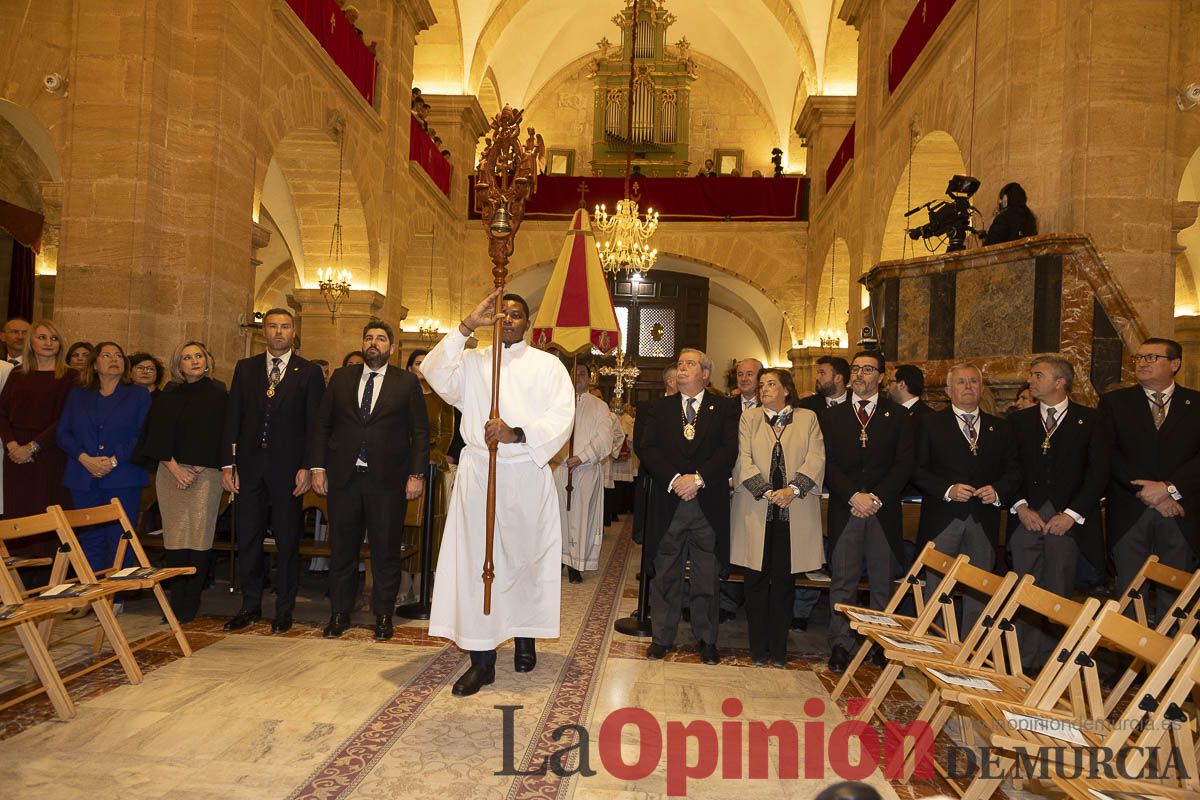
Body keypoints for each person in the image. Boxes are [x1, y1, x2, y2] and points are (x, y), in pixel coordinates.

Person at [422, 289, 574, 697]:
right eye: (502, 314)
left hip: (525, 469)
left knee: (523, 559)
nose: (508, 319)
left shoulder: (548, 366)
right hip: (479, 473)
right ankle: (482, 660)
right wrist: (469, 323)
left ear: (528, 323)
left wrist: (516, 433)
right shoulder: (473, 362)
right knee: (479, 565)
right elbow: (432, 372)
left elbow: (562, 416)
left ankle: (525, 635)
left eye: (516, 314)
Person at [309, 320, 429, 641]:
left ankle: (384, 616)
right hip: (344, 479)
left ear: (391, 347)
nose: (373, 343)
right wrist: (317, 468)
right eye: (369, 338)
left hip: (387, 482)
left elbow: (419, 432)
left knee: (385, 552)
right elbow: (322, 424)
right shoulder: (342, 377)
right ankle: (339, 614)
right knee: (342, 550)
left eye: (380, 338)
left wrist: (416, 474)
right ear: (363, 345)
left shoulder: (406, 383)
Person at [221, 308, 326, 635]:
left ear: (294, 331)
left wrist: (308, 466)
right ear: (262, 332)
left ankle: (284, 609)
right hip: (250, 468)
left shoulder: (307, 372)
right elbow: (232, 419)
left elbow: (315, 425)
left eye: (285, 327)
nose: (278, 332)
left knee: (286, 540)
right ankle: (250, 606)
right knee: (249, 538)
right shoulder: (246, 368)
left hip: (288, 470)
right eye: (272, 327)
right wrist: (228, 464)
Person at [638, 348, 740, 665]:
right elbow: (647, 447)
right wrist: (674, 479)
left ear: (705, 374)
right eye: (680, 364)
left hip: (706, 504)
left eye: (690, 364)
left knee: (706, 577)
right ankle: (662, 637)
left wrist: (696, 479)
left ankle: (707, 639)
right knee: (665, 574)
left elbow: (728, 451)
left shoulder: (723, 409)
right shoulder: (659, 408)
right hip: (669, 503)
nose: (682, 368)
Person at [1008, 355, 1110, 666]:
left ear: (1060, 382)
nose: (1030, 380)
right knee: (1024, 590)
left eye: (1038, 375)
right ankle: (1024, 660)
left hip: (1068, 523)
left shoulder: (1090, 420)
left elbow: (1098, 474)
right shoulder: (1019, 420)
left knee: (1057, 592)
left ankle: (1056, 662)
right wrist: (1021, 506)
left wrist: (1071, 514)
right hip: (1028, 519)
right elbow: (1009, 469)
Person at [822, 351, 914, 674]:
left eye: (868, 369)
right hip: (847, 509)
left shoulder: (898, 416)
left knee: (882, 584)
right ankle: (839, 645)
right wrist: (853, 496)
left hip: (882, 511)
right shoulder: (833, 417)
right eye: (856, 368)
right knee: (843, 581)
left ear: (881, 377)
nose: (860, 374)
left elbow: (904, 464)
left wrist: (875, 497)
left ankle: (881, 646)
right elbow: (828, 464)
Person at [912, 363, 1020, 634]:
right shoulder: (929, 423)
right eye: (961, 382)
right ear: (949, 390)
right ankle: (931, 646)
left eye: (973, 382)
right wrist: (948, 489)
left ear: (981, 388)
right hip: (943, 518)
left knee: (979, 588)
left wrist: (997, 491)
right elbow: (916, 469)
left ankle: (972, 650)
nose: (968, 387)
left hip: (984, 519)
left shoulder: (1001, 428)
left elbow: (1015, 470)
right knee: (936, 587)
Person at [731, 368, 824, 667]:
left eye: (771, 384)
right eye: (761, 385)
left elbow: (816, 457)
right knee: (755, 583)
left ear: (786, 389)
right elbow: (742, 459)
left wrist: (793, 489)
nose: (764, 389)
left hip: (793, 515)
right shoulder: (749, 418)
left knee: (784, 583)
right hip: (756, 512)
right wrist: (768, 491)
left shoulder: (807, 418)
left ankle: (780, 649)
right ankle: (758, 649)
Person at [1100, 337, 1200, 608]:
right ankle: (1128, 649)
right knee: (1130, 595)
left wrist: (1169, 489)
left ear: (1175, 364)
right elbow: (1108, 453)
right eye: (1140, 358)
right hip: (1130, 510)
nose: (1142, 362)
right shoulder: (1114, 402)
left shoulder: (1196, 403)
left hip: (1179, 512)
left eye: (1152, 357)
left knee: (1177, 597)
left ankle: (1174, 650)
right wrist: (1146, 491)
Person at [135, 341, 227, 622]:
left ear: (207, 360)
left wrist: (200, 464)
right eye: (187, 357)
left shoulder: (220, 394)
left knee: (199, 537)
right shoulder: (169, 395)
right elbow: (156, 435)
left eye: (199, 355)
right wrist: (175, 468)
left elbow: (223, 434)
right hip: (171, 472)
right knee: (175, 536)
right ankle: (176, 602)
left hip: (206, 474)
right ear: (179, 364)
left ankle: (192, 603)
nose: (194, 361)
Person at [56, 342, 152, 573]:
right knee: (90, 536)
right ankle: (91, 593)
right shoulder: (79, 393)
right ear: (95, 364)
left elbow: (143, 434)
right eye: (106, 355)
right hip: (83, 476)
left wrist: (113, 460)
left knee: (120, 536)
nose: (114, 359)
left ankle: (117, 597)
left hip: (123, 476)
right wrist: (84, 458)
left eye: (119, 355)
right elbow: (63, 432)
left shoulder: (138, 394)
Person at [0, 320, 78, 554]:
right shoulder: (16, 374)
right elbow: (2, 413)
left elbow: (66, 419)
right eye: (42, 337)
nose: (48, 343)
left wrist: (32, 447)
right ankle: (18, 584)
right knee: (18, 516)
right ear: (31, 343)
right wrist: (12, 445)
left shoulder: (70, 377)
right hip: (15, 457)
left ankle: (50, 580)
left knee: (48, 515)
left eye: (54, 338)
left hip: (50, 454)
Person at [792, 354, 849, 632]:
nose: (818, 377)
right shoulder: (808, 405)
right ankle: (801, 609)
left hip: (844, 486)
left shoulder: (856, 406)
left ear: (839, 377)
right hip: (812, 485)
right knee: (811, 548)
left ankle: (838, 615)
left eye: (823, 373)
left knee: (838, 552)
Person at [402, 347, 456, 601]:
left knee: (430, 527)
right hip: (403, 468)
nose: (421, 368)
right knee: (405, 527)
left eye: (426, 364)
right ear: (409, 367)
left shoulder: (442, 399)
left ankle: (427, 584)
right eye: (417, 363)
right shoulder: (401, 394)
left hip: (432, 469)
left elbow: (446, 435)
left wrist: (430, 457)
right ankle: (403, 584)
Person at [556, 361, 613, 583]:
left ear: (589, 379)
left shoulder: (600, 406)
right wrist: (560, 457)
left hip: (586, 471)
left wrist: (582, 456)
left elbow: (605, 438)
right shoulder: (559, 403)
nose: (577, 377)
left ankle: (576, 563)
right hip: (560, 470)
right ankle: (558, 558)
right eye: (574, 373)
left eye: (582, 373)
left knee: (581, 517)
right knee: (558, 515)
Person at [982, 182, 1038, 246]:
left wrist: (993, 222)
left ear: (1006, 198)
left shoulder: (1003, 218)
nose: (999, 201)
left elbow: (989, 245)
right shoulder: (1030, 217)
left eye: (1001, 197)